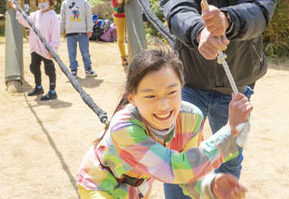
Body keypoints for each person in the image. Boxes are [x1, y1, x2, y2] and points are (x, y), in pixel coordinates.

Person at [159, 0, 277, 197]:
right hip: (188, 85)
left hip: (236, 88)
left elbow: (258, 11)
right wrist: (199, 32)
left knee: (229, 160)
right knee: (177, 161)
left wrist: (226, 20)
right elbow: (177, 8)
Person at [76, 48, 252, 199]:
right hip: (99, 185)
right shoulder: (124, 128)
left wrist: (210, 185)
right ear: (132, 98)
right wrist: (230, 130)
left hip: (136, 189)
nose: (163, 105)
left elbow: (186, 176)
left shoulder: (190, 119)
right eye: (150, 96)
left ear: (182, 88)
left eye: (172, 92)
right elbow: (174, 167)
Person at [11, 0, 61, 101]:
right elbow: (25, 21)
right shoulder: (35, 15)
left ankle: (52, 91)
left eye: (45, 0)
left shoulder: (53, 16)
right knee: (34, 67)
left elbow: (56, 34)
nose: (42, 3)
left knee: (49, 69)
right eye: (40, 1)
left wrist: (53, 48)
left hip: (46, 49)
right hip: (35, 48)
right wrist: (18, 10)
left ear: (50, 1)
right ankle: (38, 87)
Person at [60, 0, 97, 78]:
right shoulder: (65, 3)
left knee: (85, 52)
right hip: (70, 33)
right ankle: (73, 70)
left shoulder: (84, 2)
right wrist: (60, 30)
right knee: (71, 53)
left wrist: (90, 29)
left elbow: (89, 16)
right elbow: (62, 18)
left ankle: (88, 69)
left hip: (83, 32)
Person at [108, 0, 143, 67]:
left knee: (132, 35)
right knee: (121, 37)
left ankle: (133, 55)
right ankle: (123, 56)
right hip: (119, 15)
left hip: (130, 13)